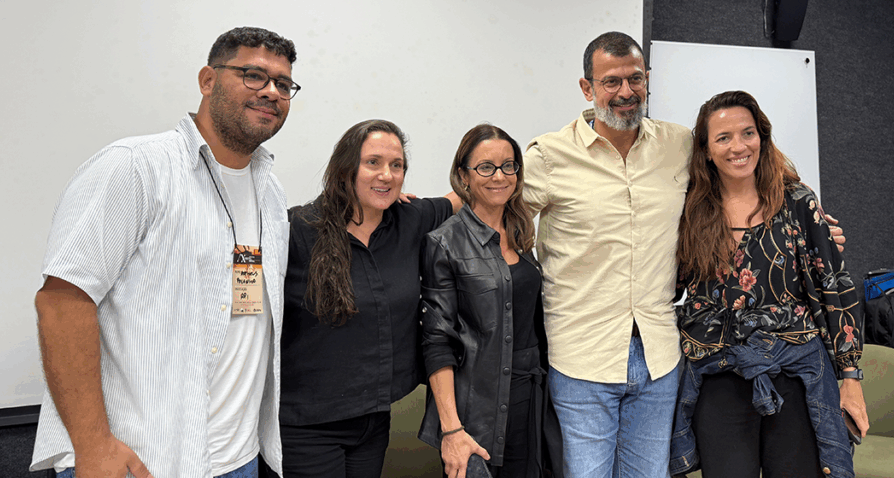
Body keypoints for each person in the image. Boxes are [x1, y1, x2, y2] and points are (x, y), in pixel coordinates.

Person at [30, 27, 298, 478]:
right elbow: (61, 303)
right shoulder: (135, 167)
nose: (271, 91)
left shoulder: (270, 190)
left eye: (284, 84)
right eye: (253, 75)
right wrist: (93, 447)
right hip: (140, 458)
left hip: (238, 458)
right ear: (207, 80)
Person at [669, 90, 868, 478]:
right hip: (718, 373)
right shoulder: (690, 208)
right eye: (723, 138)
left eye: (747, 133)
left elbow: (835, 291)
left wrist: (850, 377)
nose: (738, 146)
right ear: (706, 150)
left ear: (762, 136)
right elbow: (670, 284)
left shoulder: (797, 201)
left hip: (795, 372)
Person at [521, 31, 688, 477]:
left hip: (658, 356)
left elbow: (748, 163)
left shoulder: (680, 146)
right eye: (611, 82)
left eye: (635, 79)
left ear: (648, 79)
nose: (626, 92)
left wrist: (810, 216)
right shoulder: (550, 156)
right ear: (587, 88)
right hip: (580, 357)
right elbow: (489, 206)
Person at [279, 120, 457, 478]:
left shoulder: (409, 219)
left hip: (374, 422)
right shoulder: (297, 230)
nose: (387, 175)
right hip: (307, 427)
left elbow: (469, 189)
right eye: (373, 163)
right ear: (346, 169)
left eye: (397, 165)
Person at [418, 124, 555, 478]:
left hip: (531, 402)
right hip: (475, 411)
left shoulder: (523, 232)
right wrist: (451, 429)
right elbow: (437, 342)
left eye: (509, 166)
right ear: (463, 174)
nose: (500, 176)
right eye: (486, 167)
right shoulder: (444, 243)